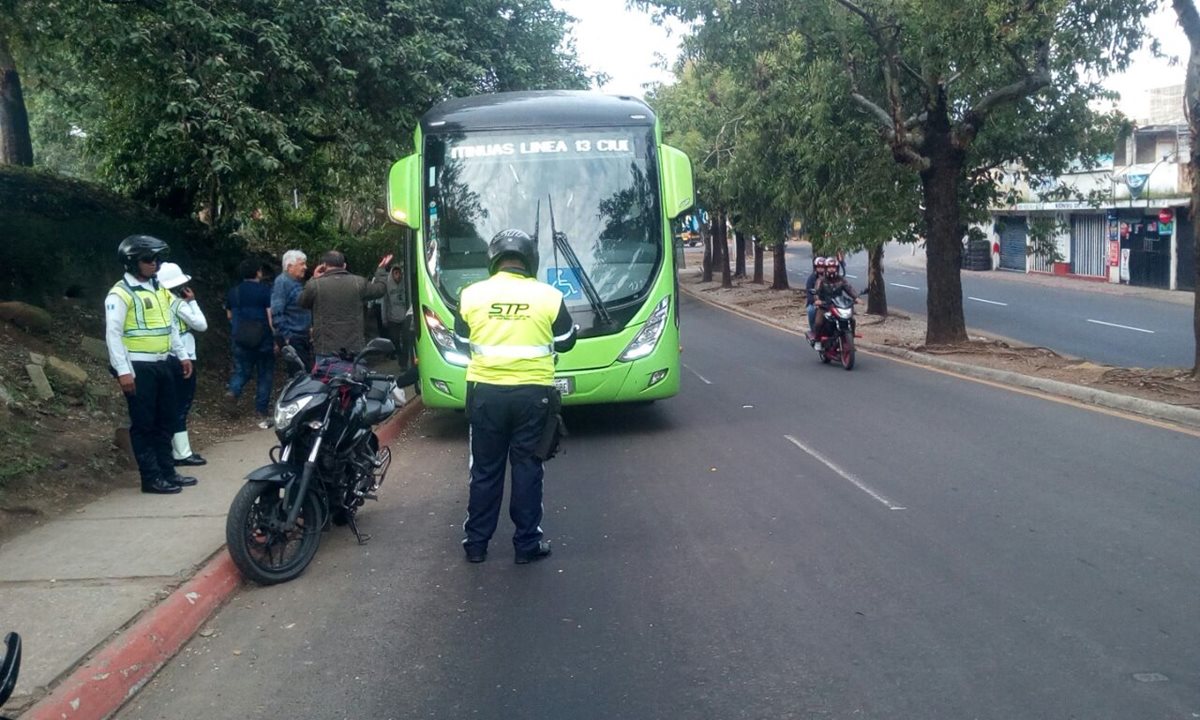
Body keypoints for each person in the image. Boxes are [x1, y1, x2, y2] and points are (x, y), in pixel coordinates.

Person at [454, 229, 577, 565]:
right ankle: (526, 546)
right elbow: (566, 340)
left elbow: (460, 342)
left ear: (493, 258)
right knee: (527, 468)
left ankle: (476, 545)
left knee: (484, 470)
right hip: (533, 396)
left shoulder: (471, 295)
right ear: (529, 259)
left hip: (485, 395)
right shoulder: (548, 296)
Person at [104, 235, 198, 494]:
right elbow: (113, 334)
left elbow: (170, 326)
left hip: (163, 363)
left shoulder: (159, 289)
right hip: (139, 367)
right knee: (144, 422)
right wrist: (123, 371)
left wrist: (181, 355)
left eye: (157, 258)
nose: (154, 264)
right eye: (148, 259)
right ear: (132, 262)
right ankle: (151, 477)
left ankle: (168, 471)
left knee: (166, 419)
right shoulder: (120, 294)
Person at [157, 262, 208, 466]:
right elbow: (201, 325)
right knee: (181, 404)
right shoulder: (178, 303)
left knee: (170, 404)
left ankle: (173, 450)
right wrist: (193, 302)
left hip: (165, 355)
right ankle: (182, 452)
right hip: (183, 355)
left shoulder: (160, 302)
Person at [299, 250, 390, 362]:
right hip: (354, 348)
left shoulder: (315, 285)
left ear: (324, 266)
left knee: (326, 377)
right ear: (344, 265)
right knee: (354, 378)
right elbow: (380, 290)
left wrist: (314, 278)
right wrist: (381, 270)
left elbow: (302, 302)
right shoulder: (359, 282)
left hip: (325, 349)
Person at [226, 258, 275, 428]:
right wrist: (277, 338)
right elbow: (270, 318)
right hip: (263, 340)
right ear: (258, 272)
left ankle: (233, 391)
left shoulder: (234, 292)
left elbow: (229, 316)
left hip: (240, 338)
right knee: (265, 374)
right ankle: (261, 409)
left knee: (241, 370)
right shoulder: (265, 291)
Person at [271, 249, 313, 370]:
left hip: (302, 337)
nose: (305, 267)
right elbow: (276, 311)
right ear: (289, 266)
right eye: (301, 264)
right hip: (293, 337)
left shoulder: (296, 282)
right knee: (300, 374)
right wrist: (287, 336)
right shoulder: (282, 282)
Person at [812, 257, 859, 349]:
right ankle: (817, 340)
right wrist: (818, 300)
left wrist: (856, 298)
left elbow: (849, 289)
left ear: (837, 268)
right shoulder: (821, 280)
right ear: (826, 268)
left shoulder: (841, 279)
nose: (832, 269)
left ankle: (850, 341)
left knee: (851, 320)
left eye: (834, 267)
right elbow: (816, 292)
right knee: (818, 322)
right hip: (825, 306)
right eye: (830, 267)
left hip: (839, 305)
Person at [379, 261, 411, 367]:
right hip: (392, 317)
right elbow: (384, 302)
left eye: (399, 273)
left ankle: (403, 362)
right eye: (395, 273)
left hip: (405, 316)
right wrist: (384, 318)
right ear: (392, 274)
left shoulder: (406, 283)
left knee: (406, 340)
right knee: (395, 339)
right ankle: (399, 354)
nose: (398, 275)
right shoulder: (388, 285)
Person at [805, 256, 826, 331]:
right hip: (815, 303)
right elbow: (809, 292)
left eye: (822, 267)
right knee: (811, 311)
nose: (820, 268)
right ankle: (813, 331)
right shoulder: (811, 278)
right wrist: (815, 302)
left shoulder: (830, 278)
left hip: (828, 302)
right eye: (819, 267)